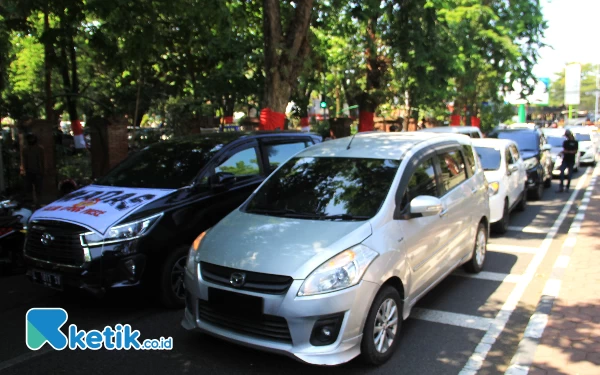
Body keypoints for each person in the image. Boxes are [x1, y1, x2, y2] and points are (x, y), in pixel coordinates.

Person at [22, 133, 45, 206]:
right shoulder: (25, 149)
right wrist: (24, 170)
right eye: (29, 138)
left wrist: (43, 170)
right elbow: (24, 161)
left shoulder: (39, 149)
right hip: (29, 171)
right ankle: (31, 202)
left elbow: (43, 160)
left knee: (39, 188)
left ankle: (39, 202)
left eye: (32, 138)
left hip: (38, 171)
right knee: (29, 188)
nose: (31, 140)